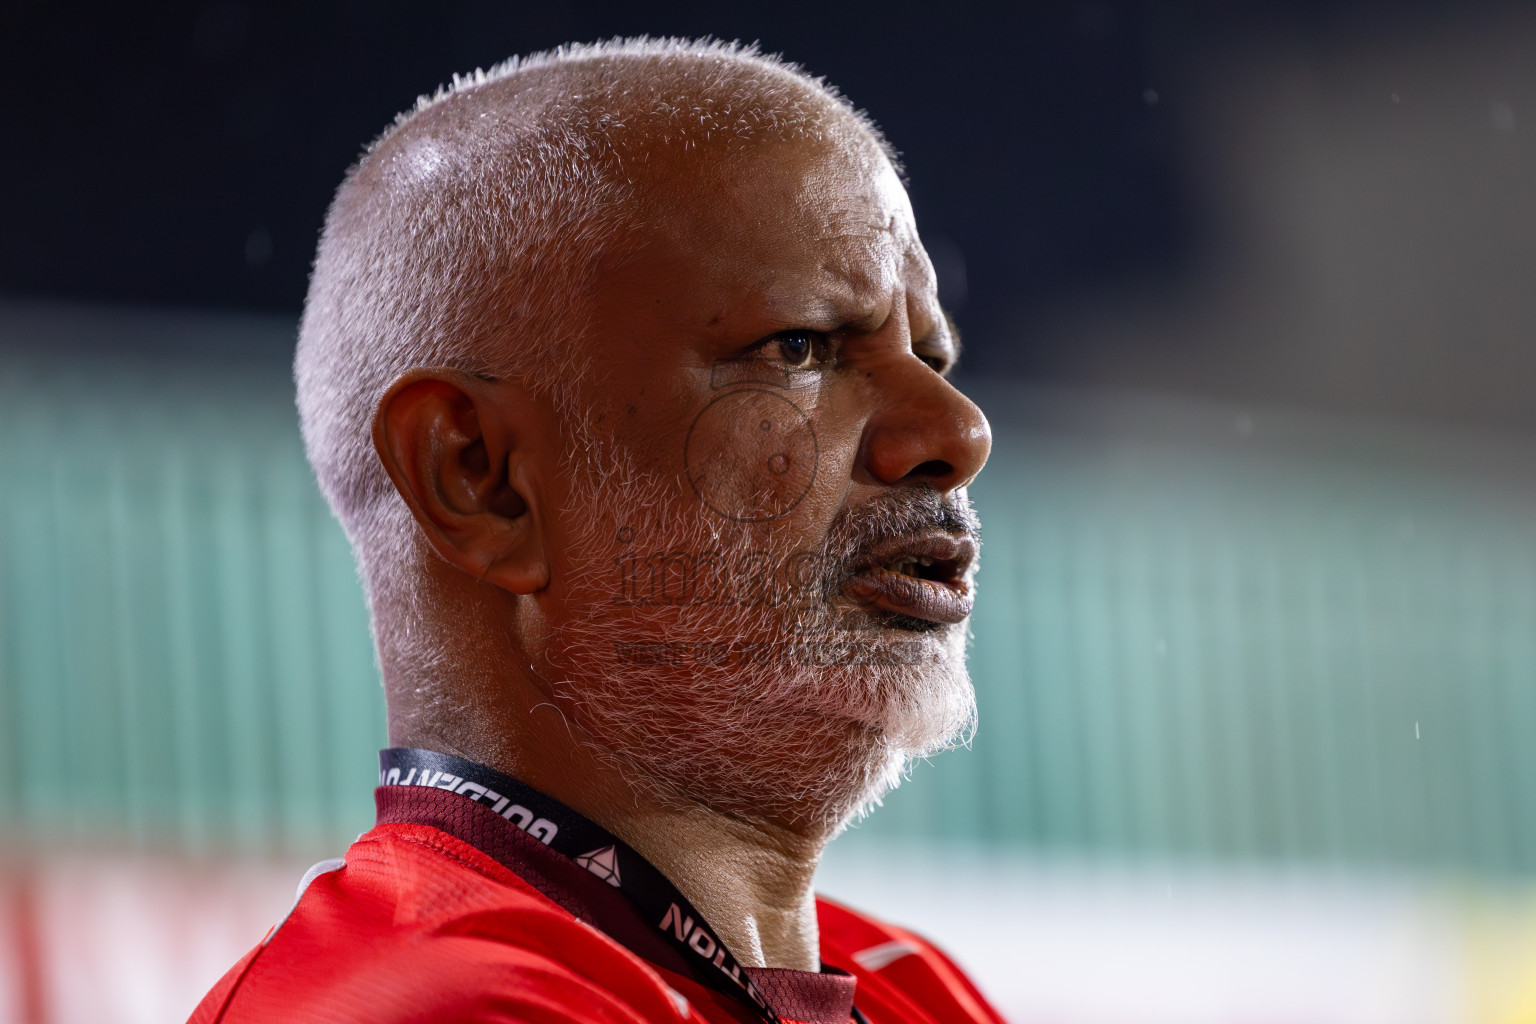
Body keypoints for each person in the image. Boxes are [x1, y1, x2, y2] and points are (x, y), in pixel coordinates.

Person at [191, 37, 995, 1024]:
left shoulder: (915, 989)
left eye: (931, 356)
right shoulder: (444, 1010)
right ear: (480, 479)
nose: (958, 432)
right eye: (799, 347)